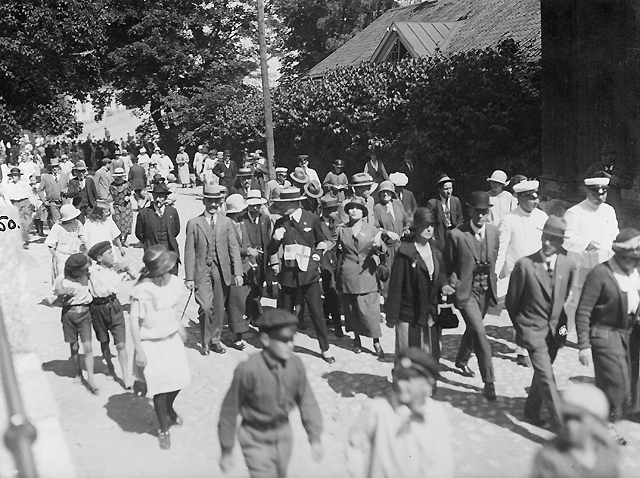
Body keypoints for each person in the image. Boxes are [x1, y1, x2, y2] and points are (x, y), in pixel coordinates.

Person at [218, 308, 324, 478]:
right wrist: (226, 449)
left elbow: (307, 400)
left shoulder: (295, 364)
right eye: (284, 340)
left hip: (283, 433)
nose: (290, 345)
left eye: (291, 339)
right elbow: (229, 410)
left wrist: (315, 437)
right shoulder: (248, 370)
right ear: (266, 339)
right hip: (255, 437)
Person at [506, 216, 576, 431]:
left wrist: (562, 333)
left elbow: (564, 302)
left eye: (553, 239)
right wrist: (523, 328)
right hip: (533, 331)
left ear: (561, 242)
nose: (547, 242)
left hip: (556, 332)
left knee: (542, 374)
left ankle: (531, 410)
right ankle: (563, 428)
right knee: (547, 377)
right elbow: (512, 302)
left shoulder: (568, 265)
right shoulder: (525, 265)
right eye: (545, 237)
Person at [575, 228, 640, 445]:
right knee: (616, 384)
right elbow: (583, 311)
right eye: (629, 258)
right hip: (603, 334)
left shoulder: (635, 273)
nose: (632, 262)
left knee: (623, 384)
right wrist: (583, 346)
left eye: (636, 259)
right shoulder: (600, 274)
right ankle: (604, 426)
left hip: (627, 335)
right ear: (619, 254)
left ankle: (598, 420)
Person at [346, 347, 453, 478]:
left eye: (408, 379)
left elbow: (441, 461)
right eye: (398, 377)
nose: (401, 384)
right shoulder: (378, 409)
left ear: (428, 383)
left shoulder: (436, 414)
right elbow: (356, 443)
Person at [129, 245, 191, 450]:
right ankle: (164, 428)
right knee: (159, 388)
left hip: (171, 340)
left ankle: (169, 409)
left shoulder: (172, 283)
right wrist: (139, 350)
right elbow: (134, 322)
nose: (169, 269)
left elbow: (171, 310)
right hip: (151, 344)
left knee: (179, 380)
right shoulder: (143, 291)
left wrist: (179, 327)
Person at [267, 187, 335, 363]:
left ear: (295, 203)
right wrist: (275, 239)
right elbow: (271, 250)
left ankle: (325, 348)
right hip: (288, 275)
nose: (281, 207)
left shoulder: (312, 218)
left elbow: (322, 241)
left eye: (284, 204)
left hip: (309, 274)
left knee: (316, 312)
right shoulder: (280, 222)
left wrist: (317, 256)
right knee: (285, 315)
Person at [443, 191, 499, 401]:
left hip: (486, 290)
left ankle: (461, 360)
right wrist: (449, 285)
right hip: (466, 292)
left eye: (484, 212)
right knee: (480, 332)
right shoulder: (456, 235)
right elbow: (447, 265)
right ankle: (489, 381)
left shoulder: (493, 232)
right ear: (470, 211)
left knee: (474, 329)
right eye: (477, 211)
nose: (481, 216)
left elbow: (494, 257)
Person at [184, 184, 243, 355]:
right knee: (205, 306)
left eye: (216, 201)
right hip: (202, 270)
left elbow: (233, 248)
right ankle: (205, 342)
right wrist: (189, 277)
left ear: (220, 202)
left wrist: (238, 272)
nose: (213, 204)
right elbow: (189, 252)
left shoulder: (227, 222)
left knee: (218, 307)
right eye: (210, 201)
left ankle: (215, 340)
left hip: (221, 270)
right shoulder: (194, 223)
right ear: (204, 201)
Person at [495, 180, 549, 367]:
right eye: (531, 199)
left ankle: (534, 344)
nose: (535, 202)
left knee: (537, 311)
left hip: (539, 272)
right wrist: (495, 274)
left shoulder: (542, 217)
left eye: (536, 198)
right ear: (520, 199)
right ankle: (522, 351)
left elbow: (547, 245)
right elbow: (501, 250)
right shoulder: (509, 219)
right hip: (516, 274)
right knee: (521, 312)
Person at [386, 208, 446, 360]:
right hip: (409, 315)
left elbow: (440, 274)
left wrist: (444, 285)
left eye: (431, 225)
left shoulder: (436, 250)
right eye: (425, 225)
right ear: (417, 227)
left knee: (431, 354)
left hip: (430, 313)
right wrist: (392, 316)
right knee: (408, 357)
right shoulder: (405, 253)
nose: (429, 229)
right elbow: (396, 286)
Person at [530, 384, 620, 478]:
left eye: (578, 419)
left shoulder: (607, 455)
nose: (570, 425)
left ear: (596, 423)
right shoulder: (550, 458)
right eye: (567, 418)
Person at [563, 175, 619, 323]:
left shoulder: (609, 210)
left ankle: (596, 330)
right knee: (575, 300)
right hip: (582, 265)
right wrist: (586, 244)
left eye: (603, 193)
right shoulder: (575, 212)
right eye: (596, 194)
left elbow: (614, 233)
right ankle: (565, 330)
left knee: (604, 298)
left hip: (605, 263)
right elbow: (566, 240)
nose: (600, 197)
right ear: (588, 192)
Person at [336, 200, 385, 356]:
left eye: (357, 208)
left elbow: (383, 249)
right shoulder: (342, 230)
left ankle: (376, 341)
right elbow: (332, 244)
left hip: (368, 274)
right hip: (349, 274)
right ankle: (356, 340)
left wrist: (379, 244)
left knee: (371, 311)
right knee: (353, 310)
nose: (354, 211)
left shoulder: (372, 229)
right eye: (351, 208)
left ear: (363, 212)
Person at [87, 241, 135, 390]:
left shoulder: (117, 270)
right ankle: (109, 366)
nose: (113, 255)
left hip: (114, 306)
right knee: (104, 341)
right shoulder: (91, 271)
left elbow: (134, 276)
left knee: (120, 344)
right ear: (99, 258)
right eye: (109, 253)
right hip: (96, 308)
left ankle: (126, 376)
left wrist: (126, 265)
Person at [53, 253, 97, 394]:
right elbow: (52, 298)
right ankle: (78, 372)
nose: (86, 270)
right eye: (83, 269)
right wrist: (61, 292)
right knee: (74, 346)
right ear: (76, 270)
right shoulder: (62, 279)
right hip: (69, 314)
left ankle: (91, 379)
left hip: (85, 313)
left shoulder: (87, 276)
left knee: (88, 346)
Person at [224, 194, 252, 350]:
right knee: (234, 303)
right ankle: (236, 335)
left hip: (245, 266)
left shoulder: (242, 222)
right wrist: (246, 251)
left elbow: (246, 242)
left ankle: (242, 328)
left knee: (243, 300)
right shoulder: (225, 225)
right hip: (232, 268)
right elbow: (229, 248)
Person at [135, 182, 181, 274]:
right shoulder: (144, 213)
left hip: (170, 251)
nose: (158, 199)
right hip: (153, 252)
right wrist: (149, 242)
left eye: (161, 197)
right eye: (156, 196)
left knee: (172, 278)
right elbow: (139, 233)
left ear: (166, 198)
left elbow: (176, 230)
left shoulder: (172, 212)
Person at [373, 180, 407, 298]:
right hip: (388, 248)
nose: (385, 194)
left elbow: (405, 220)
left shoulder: (398, 204)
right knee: (389, 275)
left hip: (401, 245)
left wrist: (406, 229)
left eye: (388, 191)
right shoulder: (378, 208)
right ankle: (388, 300)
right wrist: (387, 232)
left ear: (392, 193)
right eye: (383, 192)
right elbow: (375, 227)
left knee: (402, 273)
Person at [243, 189, 272, 323]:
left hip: (262, 259)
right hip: (248, 258)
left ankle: (254, 311)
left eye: (257, 205)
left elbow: (268, 238)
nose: (255, 208)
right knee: (250, 286)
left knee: (259, 285)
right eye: (252, 205)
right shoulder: (242, 220)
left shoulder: (264, 219)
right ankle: (251, 314)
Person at [318, 195, 343, 337]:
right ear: (325, 211)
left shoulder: (339, 222)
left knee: (332, 291)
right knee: (332, 290)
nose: (336, 212)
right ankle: (337, 325)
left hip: (339, 260)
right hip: (324, 261)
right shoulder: (317, 223)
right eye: (334, 209)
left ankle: (325, 313)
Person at [583, 143, 631, 215]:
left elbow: (629, 184)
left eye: (606, 156)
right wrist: (594, 178)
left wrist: (612, 179)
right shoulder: (595, 167)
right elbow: (584, 180)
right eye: (602, 156)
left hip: (614, 203)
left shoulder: (621, 169)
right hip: (597, 202)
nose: (604, 158)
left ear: (613, 156)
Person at [45, 204, 85, 282]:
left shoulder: (77, 223)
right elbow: (50, 244)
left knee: (76, 278)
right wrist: (56, 257)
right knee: (63, 278)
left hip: (75, 253)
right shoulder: (57, 227)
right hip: (62, 255)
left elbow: (82, 234)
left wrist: (83, 241)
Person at [426, 174, 464, 252]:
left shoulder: (455, 200)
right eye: (446, 189)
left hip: (454, 232)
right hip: (440, 234)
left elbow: (460, 218)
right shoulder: (433, 203)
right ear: (439, 189)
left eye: (450, 188)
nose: (449, 191)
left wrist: (457, 231)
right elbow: (429, 222)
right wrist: (432, 236)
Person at [3, 167, 36, 249]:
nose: (14, 177)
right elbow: (6, 198)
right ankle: (23, 241)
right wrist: (10, 207)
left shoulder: (25, 185)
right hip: (15, 203)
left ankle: (24, 237)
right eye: (13, 175)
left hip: (26, 203)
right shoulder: (8, 186)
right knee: (20, 222)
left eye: (16, 175)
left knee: (27, 221)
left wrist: (34, 204)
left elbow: (30, 195)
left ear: (19, 176)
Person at [110, 167, 133, 246]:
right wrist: (111, 208)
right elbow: (110, 197)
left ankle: (125, 240)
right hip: (117, 206)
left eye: (121, 176)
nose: (120, 178)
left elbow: (131, 192)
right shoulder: (112, 186)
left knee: (126, 223)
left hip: (126, 206)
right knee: (117, 224)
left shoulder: (126, 184)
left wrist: (128, 196)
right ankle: (119, 240)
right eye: (118, 176)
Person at [39, 157, 63, 225]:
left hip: (64, 202)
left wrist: (66, 190)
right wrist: (44, 200)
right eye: (53, 167)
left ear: (59, 167)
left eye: (56, 167)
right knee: (57, 221)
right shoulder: (46, 177)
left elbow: (70, 186)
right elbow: (39, 190)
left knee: (65, 220)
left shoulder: (64, 176)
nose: (54, 168)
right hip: (52, 202)